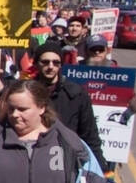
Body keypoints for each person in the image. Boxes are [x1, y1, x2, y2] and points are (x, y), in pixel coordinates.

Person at [31, 36, 109, 171]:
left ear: (61, 65)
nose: (51, 66)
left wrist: (102, 170)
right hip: (32, 158)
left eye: (56, 63)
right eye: (45, 62)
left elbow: (90, 136)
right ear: (37, 63)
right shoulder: (26, 92)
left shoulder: (76, 94)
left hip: (65, 163)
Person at [83, 34, 136, 115]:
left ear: (107, 51)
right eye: (93, 49)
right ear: (86, 51)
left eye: (101, 49)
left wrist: (134, 104)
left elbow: (130, 97)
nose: (97, 52)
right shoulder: (76, 70)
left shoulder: (119, 73)